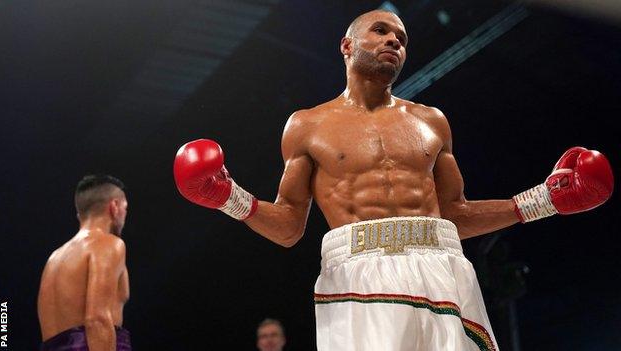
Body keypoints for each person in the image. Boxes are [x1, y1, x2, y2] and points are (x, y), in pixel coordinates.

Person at [173, 9, 614, 351]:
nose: (393, 41)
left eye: (401, 39)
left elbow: (455, 214)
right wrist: (227, 197)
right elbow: (289, 226)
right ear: (347, 45)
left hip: (441, 262)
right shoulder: (307, 125)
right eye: (381, 31)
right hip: (358, 272)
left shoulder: (431, 121)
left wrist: (543, 202)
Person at [37, 174, 132, 351]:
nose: (125, 216)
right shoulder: (108, 244)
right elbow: (97, 319)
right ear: (115, 207)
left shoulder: (55, 258)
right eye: (125, 208)